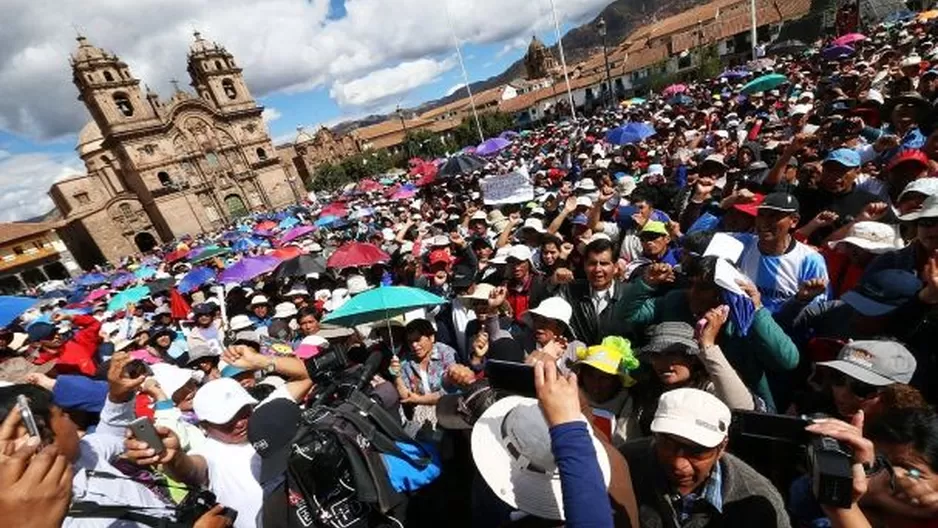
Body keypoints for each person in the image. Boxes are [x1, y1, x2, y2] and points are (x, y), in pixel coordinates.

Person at [0, 353, 178, 526]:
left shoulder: (84, 451)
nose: (72, 420)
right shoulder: (48, 516)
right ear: (38, 434)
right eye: (63, 414)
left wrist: (118, 396)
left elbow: (112, 435)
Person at [620, 257, 799, 411]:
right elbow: (626, 319)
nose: (693, 293)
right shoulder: (676, 301)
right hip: (680, 400)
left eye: (703, 287)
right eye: (691, 284)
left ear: (724, 292)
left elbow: (787, 360)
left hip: (741, 406)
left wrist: (758, 311)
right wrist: (646, 283)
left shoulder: (745, 317)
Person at [620, 388, 790, 527]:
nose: (679, 464)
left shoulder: (757, 499)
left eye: (696, 451)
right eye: (668, 445)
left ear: (722, 447)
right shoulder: (622, 465)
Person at [123, 377, 262, 528]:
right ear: (205, 426)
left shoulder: (273, 425)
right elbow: (191, 469)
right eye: (228, 421)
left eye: (244, 412)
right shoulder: (209, 452)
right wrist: (174, 458)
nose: (240, 423)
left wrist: (263, 361)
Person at [735, 192, 830, 313]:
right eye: (761, 215)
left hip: (784, 329)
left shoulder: (810, 260)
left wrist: (800, 300)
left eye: (773, 216)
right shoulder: (742, 244)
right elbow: (704, 235)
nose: (764, 222)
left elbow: (817, 310)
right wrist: (724, 204)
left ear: (794, 221)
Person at [28, 311, 101, 377]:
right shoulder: (42, 366)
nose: (56, 336)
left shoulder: (76, 343)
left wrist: (69, 317)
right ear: (37, 343)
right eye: (49, 336)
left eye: (55, 332)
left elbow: (94, 324)